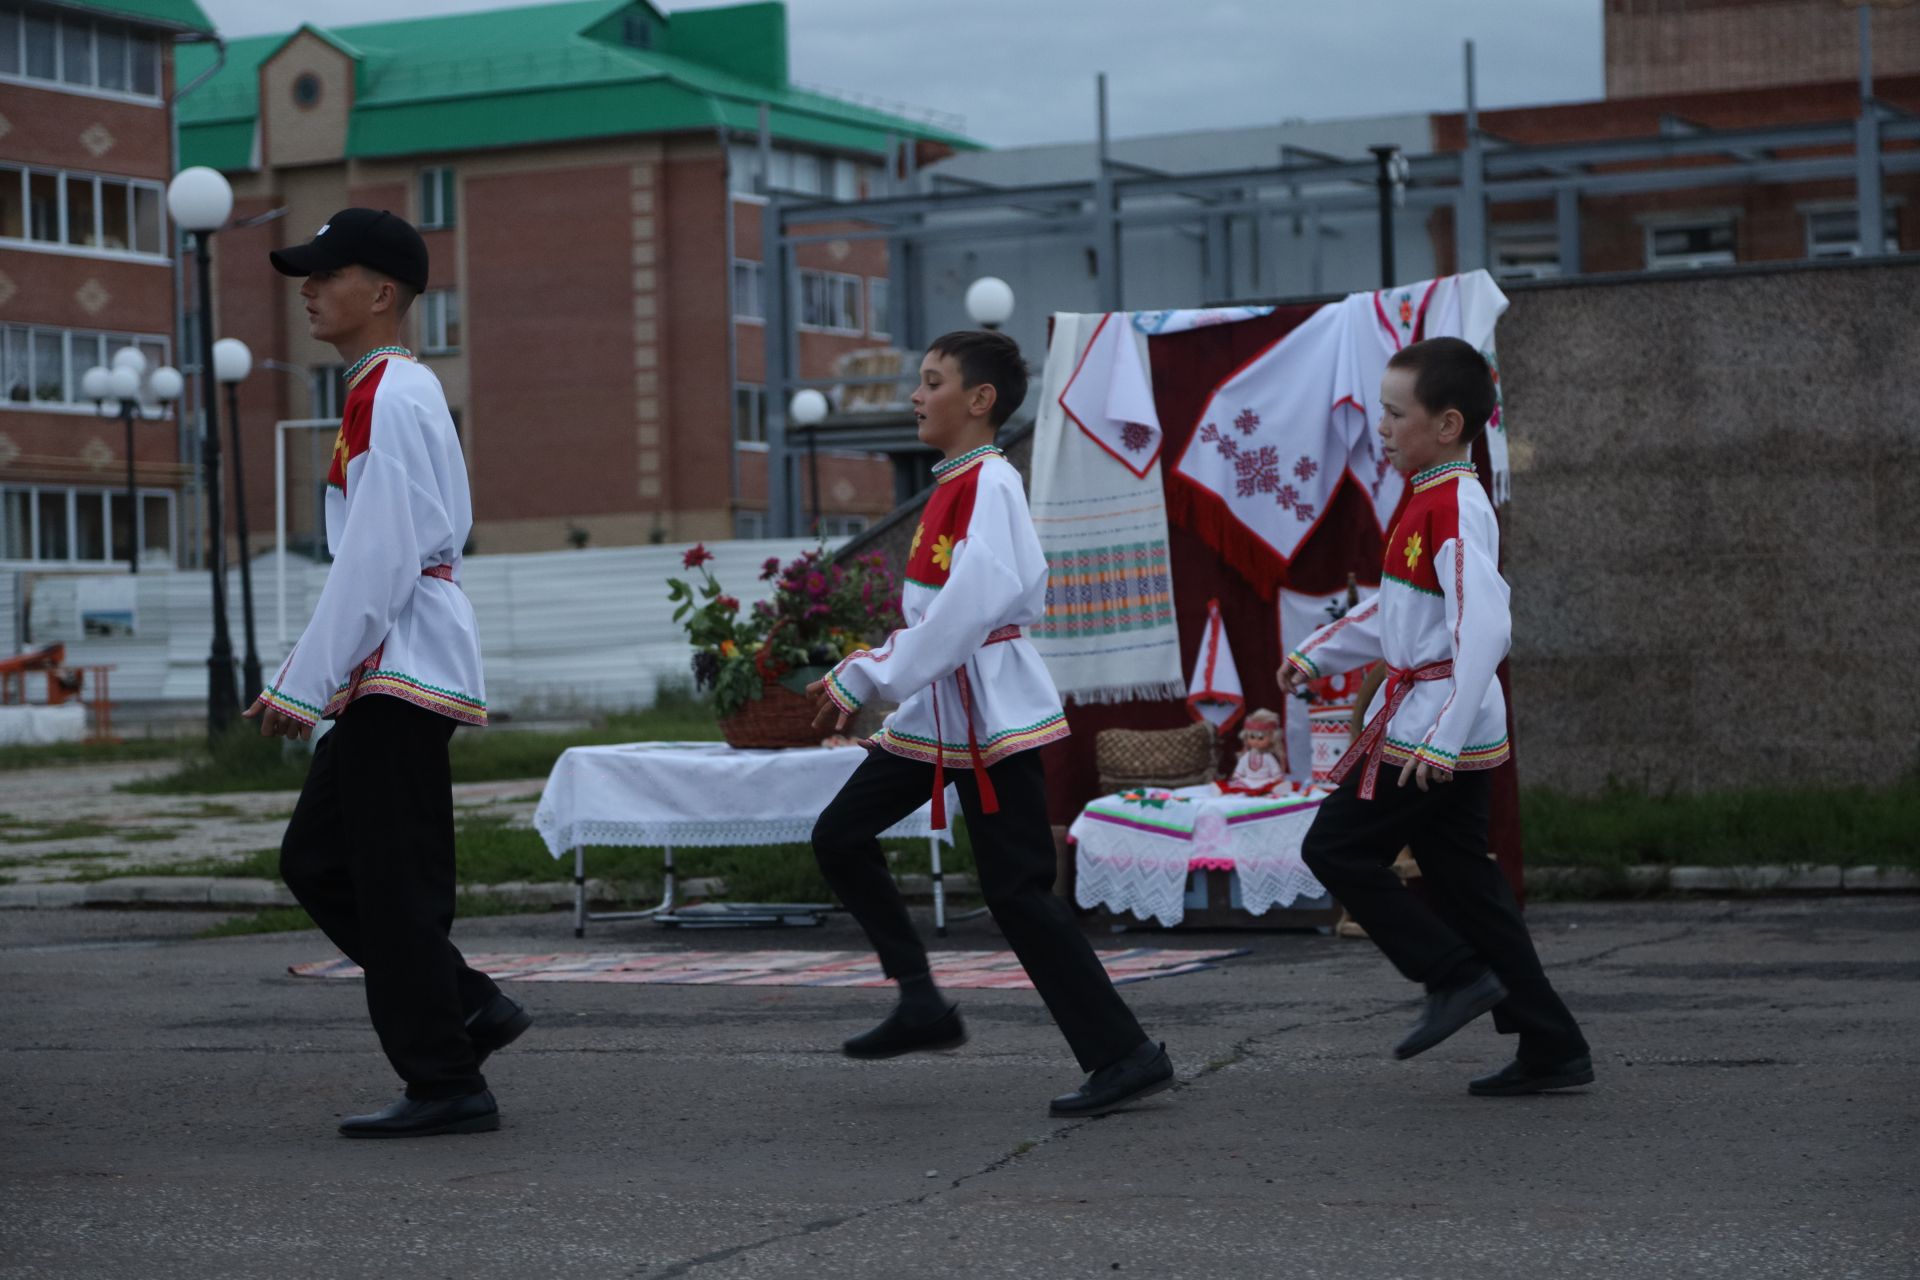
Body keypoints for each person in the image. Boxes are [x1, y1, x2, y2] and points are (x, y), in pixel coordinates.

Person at [807, 330, 1174, 1118]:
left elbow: (967, 609)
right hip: (947, 710)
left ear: (979, 402)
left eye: (931, 380)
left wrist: (869, 672)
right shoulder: (956, 483)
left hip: (989, 712)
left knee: (1019, 893)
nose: (916, 394)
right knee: (841, 836)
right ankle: (921, 1000)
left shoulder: (990, 485)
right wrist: (888, 677)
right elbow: (945, 616)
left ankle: (1124, 1053)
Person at [247, 209, 528, 1137]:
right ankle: (468, 1006)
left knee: (392, 881)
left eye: (328, 274)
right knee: (319, 861)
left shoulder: (390, 394)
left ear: (382, 294)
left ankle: (446, 1077)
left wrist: (301, 679)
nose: (309, 288)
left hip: (401, 661)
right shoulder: (381, 389)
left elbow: (379, 554)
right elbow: (376, 551)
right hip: (389, 660)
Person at [1281, 336, 1591, 1096]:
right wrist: (1323, 652)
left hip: (1433, 724)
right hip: (1438, 716)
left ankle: (1452, 976)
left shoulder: (1452, 501)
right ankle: (1552, 1045)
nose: (1381, 428)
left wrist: (1445, 737)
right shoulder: (1429, 495)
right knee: (1465, 884)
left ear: (1449, 423)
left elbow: (1483, 627)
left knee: (1336, 849)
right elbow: (1401, 611)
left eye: (1394, 414)